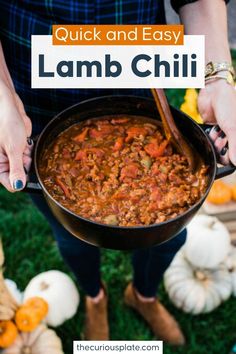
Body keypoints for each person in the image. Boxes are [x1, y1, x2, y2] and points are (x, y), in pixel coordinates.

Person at [0, 0, 235, 345]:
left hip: (138, 58)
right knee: (70, 234)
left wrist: (218, 79)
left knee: (171, 235)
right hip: (36, 76)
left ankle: (143, 295)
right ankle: (95, 298)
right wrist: (3, 98)